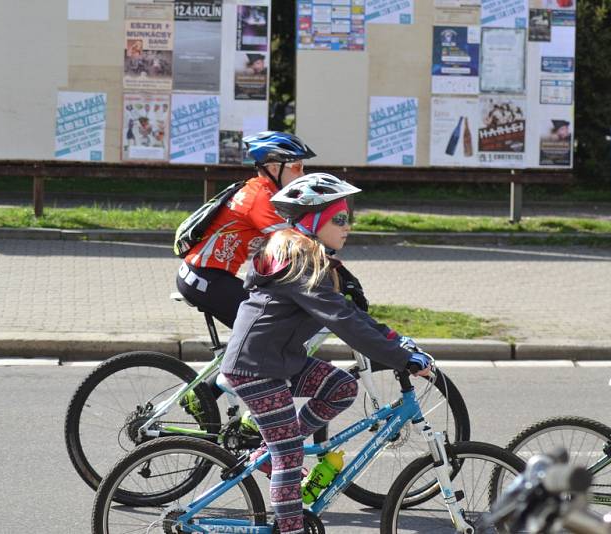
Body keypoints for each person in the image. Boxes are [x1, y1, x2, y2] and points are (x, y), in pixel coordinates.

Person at [219, 173, 434, 534]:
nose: (348, 226)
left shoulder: (309, 255)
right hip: (255, 368)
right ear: (314, 222)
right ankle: (290, 527)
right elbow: (340, 321)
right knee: (289, 455)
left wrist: (398, 341)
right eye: (340, 218)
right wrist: (400, 359)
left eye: (349, 217)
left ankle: (269, 452)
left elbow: (350, 313)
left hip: (278, 359)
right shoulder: (300, 259)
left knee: (340, 388)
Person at [176, 131, 316, 328]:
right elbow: (297, 244)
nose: (303, 175)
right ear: (275, 168)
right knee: (269, 332)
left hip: (208, 275)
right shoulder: (260, 197)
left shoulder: (262, 191)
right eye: (297, 167)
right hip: (204, 277)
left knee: (273, 325)